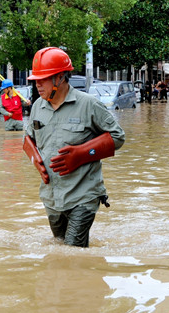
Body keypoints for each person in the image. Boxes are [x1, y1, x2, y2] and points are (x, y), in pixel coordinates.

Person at [22, 47, 125, 248]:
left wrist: (81, 154)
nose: (37, 85)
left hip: (83, 194)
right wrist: (37, 164)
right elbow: (29, 139)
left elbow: (117, 137)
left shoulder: (89, 104)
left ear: (60, 78)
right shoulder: (37, 107)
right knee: (59, 248)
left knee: (72, 250)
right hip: (52, 196)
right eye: (35, 80)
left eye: (42, 79)